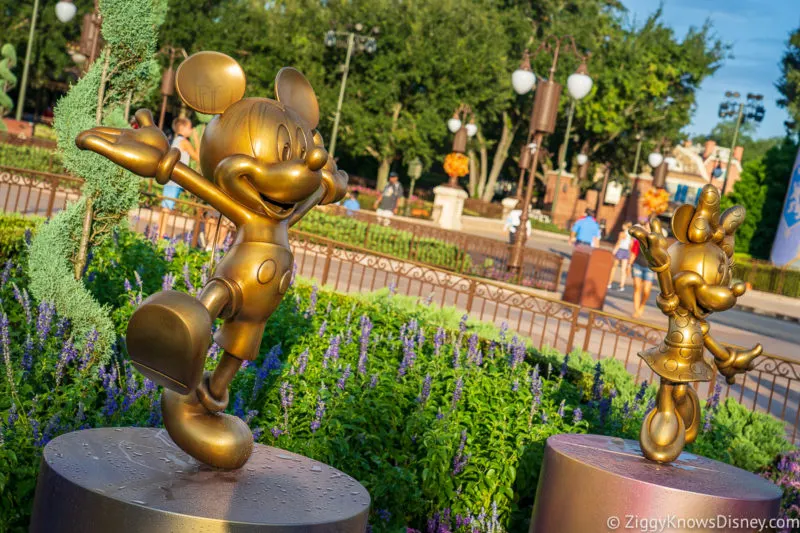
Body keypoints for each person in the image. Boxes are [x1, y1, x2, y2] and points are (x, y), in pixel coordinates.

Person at [159, 117, 200, 238]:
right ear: (182, 128)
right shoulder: (184, 142)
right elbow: (197, 157)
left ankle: (160, 232)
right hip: (175, 180)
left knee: (165, 207)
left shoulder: (176, 140)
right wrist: (196, 139)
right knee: (167, 208)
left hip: (171, 178)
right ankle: (160, 235)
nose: (191, 129)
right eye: (189, 127)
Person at [630, 220, 655, 319]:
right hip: (637, 265)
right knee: (637, 287)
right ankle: (636, 310)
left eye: (649, 227)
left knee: (646, 291)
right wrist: (629, 265)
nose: (647, 229)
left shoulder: (655, 242)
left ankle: (642, 305)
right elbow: (633, 253)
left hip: (649, 268)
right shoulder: (638, 240)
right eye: (645, 227)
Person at [608, 222, 633, 291]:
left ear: (625, 226)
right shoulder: (631, 236)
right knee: (623, 269)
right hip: (626, 251)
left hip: (620, 250)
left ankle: (609, 283)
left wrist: (614, 251)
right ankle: (621, 285)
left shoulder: (622, 233)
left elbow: (618, 242)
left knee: (614, 267)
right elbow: (631, 246)